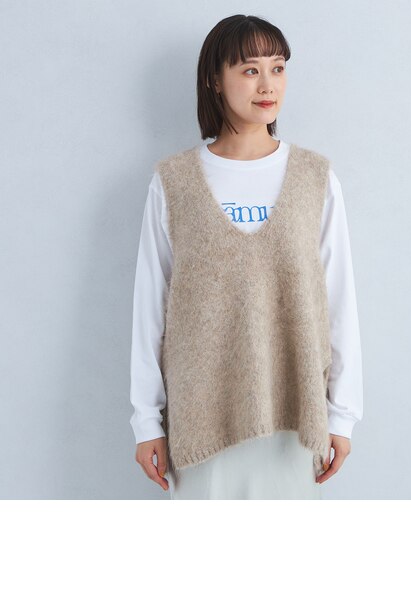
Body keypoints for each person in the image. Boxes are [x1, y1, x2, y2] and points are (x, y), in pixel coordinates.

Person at [129, 14, 364, 499]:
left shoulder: (315, 178)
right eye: (250, 70)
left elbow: (339, 302)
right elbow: (150, 308)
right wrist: (146, 420)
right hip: (200, 423)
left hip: (295, 418)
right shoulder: (173, 182)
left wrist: (342, 415)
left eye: (278, 68)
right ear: (215, 80)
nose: (267, 84)